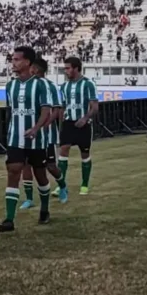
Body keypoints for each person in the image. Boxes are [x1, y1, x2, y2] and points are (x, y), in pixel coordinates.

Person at [0, 46, 55, 231]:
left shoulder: (41, 84)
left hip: (37, 139)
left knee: (40, 175)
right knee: (14, 171)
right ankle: (9, 219)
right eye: (12, 59)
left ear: (27, 62)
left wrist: (36, 128)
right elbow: (10, 111)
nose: (13, 63)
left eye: (16, 59)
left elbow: (46, 110)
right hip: (15, 139)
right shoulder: (10, 85)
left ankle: (45, 209)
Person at [18, 57, 70, 207]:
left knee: (50, 165)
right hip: (28, 133)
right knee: (26, 165)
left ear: (36, 69)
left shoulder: (50, 86)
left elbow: (56, 109)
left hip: (46, 136)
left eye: (31, 67)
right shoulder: (26, 85)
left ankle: (63, 186)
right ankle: (29, 198)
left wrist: (44, 124)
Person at [57, 56, 99, 195]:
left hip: (84, 124)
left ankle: (84, 184)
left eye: (68, 68)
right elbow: (62, 106)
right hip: (68, 123)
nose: (66, 71)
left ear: (76, 68)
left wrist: (85, 118)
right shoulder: (64, 86)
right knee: (63, 150)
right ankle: (61, 185)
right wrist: (61, 123)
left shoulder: (88, 84)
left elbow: (94, 107)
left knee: (85, 153)